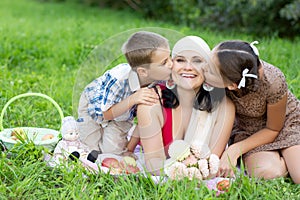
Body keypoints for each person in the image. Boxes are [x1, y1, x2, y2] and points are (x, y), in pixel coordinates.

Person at [136, 36, 235, 174]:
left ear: (207, 67)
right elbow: (154, 165)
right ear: (171, 64)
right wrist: (180, 173)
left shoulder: (224, 107)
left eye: (197, 61)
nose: (188, 67)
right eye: (180, 60)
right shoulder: (151, 101)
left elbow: (211, 162)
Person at [205, 40, 300, 184]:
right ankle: (283, 159)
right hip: (247, 130)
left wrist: (234, 150)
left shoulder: (273, 81)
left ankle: (291, 153)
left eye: (210, 70)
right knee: (268, 172)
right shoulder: (225, 74)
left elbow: (273, 128)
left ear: (232, 85)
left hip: (285, 125)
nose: (204, 69)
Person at [77, 31, 173, 156]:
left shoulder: (160, 79)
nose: (171, 64)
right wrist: (133, 99)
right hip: (95, 109)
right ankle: (73, 129)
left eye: (170, 57)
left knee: (113, 153)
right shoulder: (119, 80)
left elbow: (143, 119)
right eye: (164, 62)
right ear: (143, 72)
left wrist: (129, 149)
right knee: (90, 148)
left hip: (123, 116)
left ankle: (109, 146)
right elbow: (106, 114)